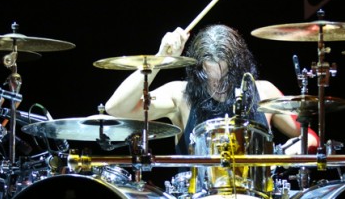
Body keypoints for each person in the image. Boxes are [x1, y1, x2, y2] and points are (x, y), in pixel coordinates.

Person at [104, 24, 318, 156]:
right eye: (209, 77)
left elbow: (310, 137)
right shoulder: (180, 95)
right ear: (198, 71)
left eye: (224, 78)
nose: (217, 84)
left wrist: (293, 149)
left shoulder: (264, 92)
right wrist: (160, 59)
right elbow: (116, 109)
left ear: (238, 68)